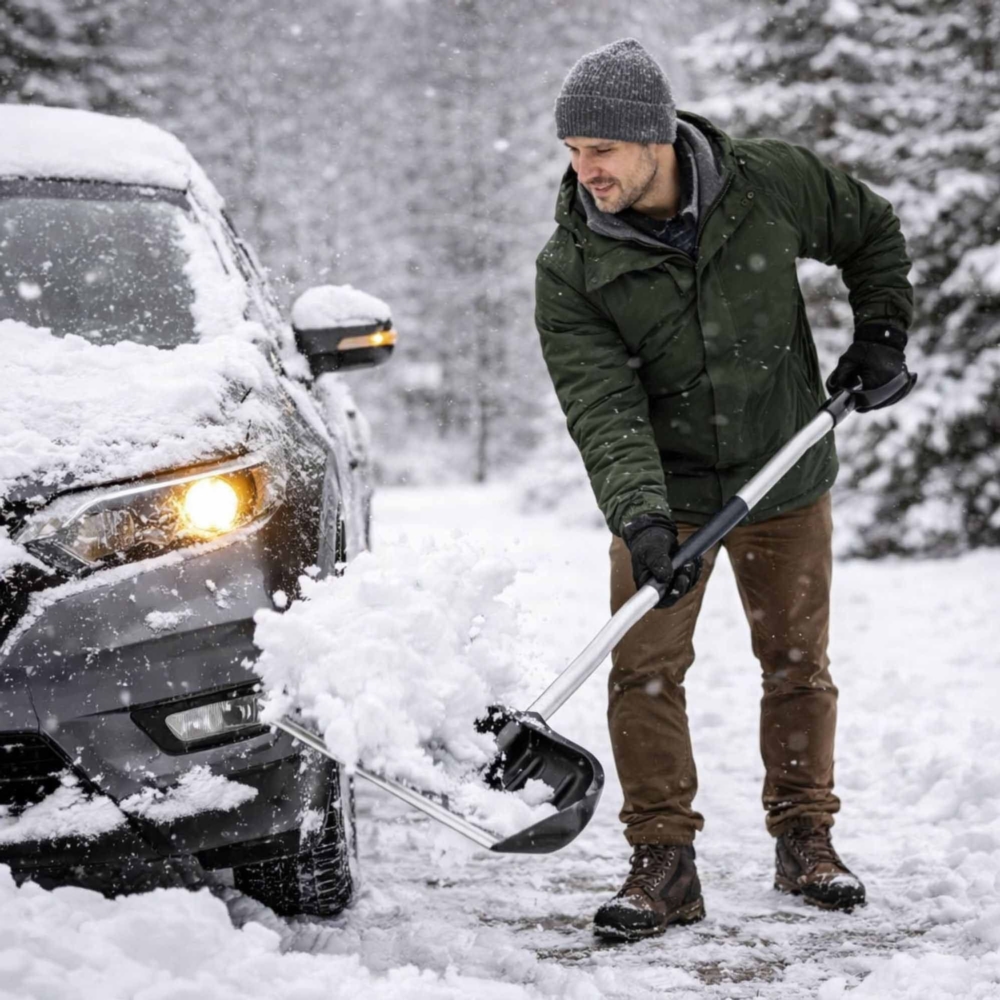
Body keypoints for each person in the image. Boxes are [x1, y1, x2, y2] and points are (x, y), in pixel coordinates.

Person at [534, 37, 915, 942]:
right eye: (573, 154)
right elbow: (603, 405)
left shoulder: (766, 185)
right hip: (664, 489)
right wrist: (642, 517)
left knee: (795, 663)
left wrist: (883, 333)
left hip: (784, 468)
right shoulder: (574, 267)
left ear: (656, 138)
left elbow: (870, 229)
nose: (586, 173)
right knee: (646, 668)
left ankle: (806, 838)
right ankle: (663, 862)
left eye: (603, 151)